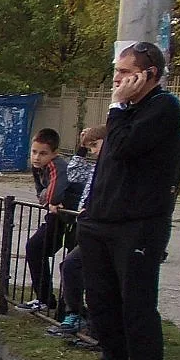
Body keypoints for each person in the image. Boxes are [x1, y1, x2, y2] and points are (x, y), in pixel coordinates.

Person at [74, 42, 180, 360]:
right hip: (100, 222)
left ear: (149, 74)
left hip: (137, 227)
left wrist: (117, 107)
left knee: (136, 306)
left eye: (125, 72)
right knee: (101, 302)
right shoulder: (127, 112)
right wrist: (90, 209)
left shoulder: (163, 108)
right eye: (116, 71)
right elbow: (108, 164)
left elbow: (123, 148)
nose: (117, 79)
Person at [46, 125, 107, 338]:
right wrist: (82, 148)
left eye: (95, 145)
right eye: (90, 148)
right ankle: (76, 315)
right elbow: (73, 172)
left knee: (94, 279)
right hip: (89, 228)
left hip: (104, 229)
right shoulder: (96, 167)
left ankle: (96, 328)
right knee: (71, 266)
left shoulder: (115, 167)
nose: (94, 151)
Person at [15, 128, 82, 312]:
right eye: (34, 152)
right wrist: (48, 200)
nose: (37, 157)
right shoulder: (38, 168)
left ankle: (70, 309)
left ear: (54, 153)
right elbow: (41, 194)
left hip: (74, 217)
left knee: (71, 262)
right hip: (58, 216)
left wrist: (51, 200)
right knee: (35, 248)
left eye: (43, 153)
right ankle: (45, 299)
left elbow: (54, 193)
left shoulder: (56, 165)